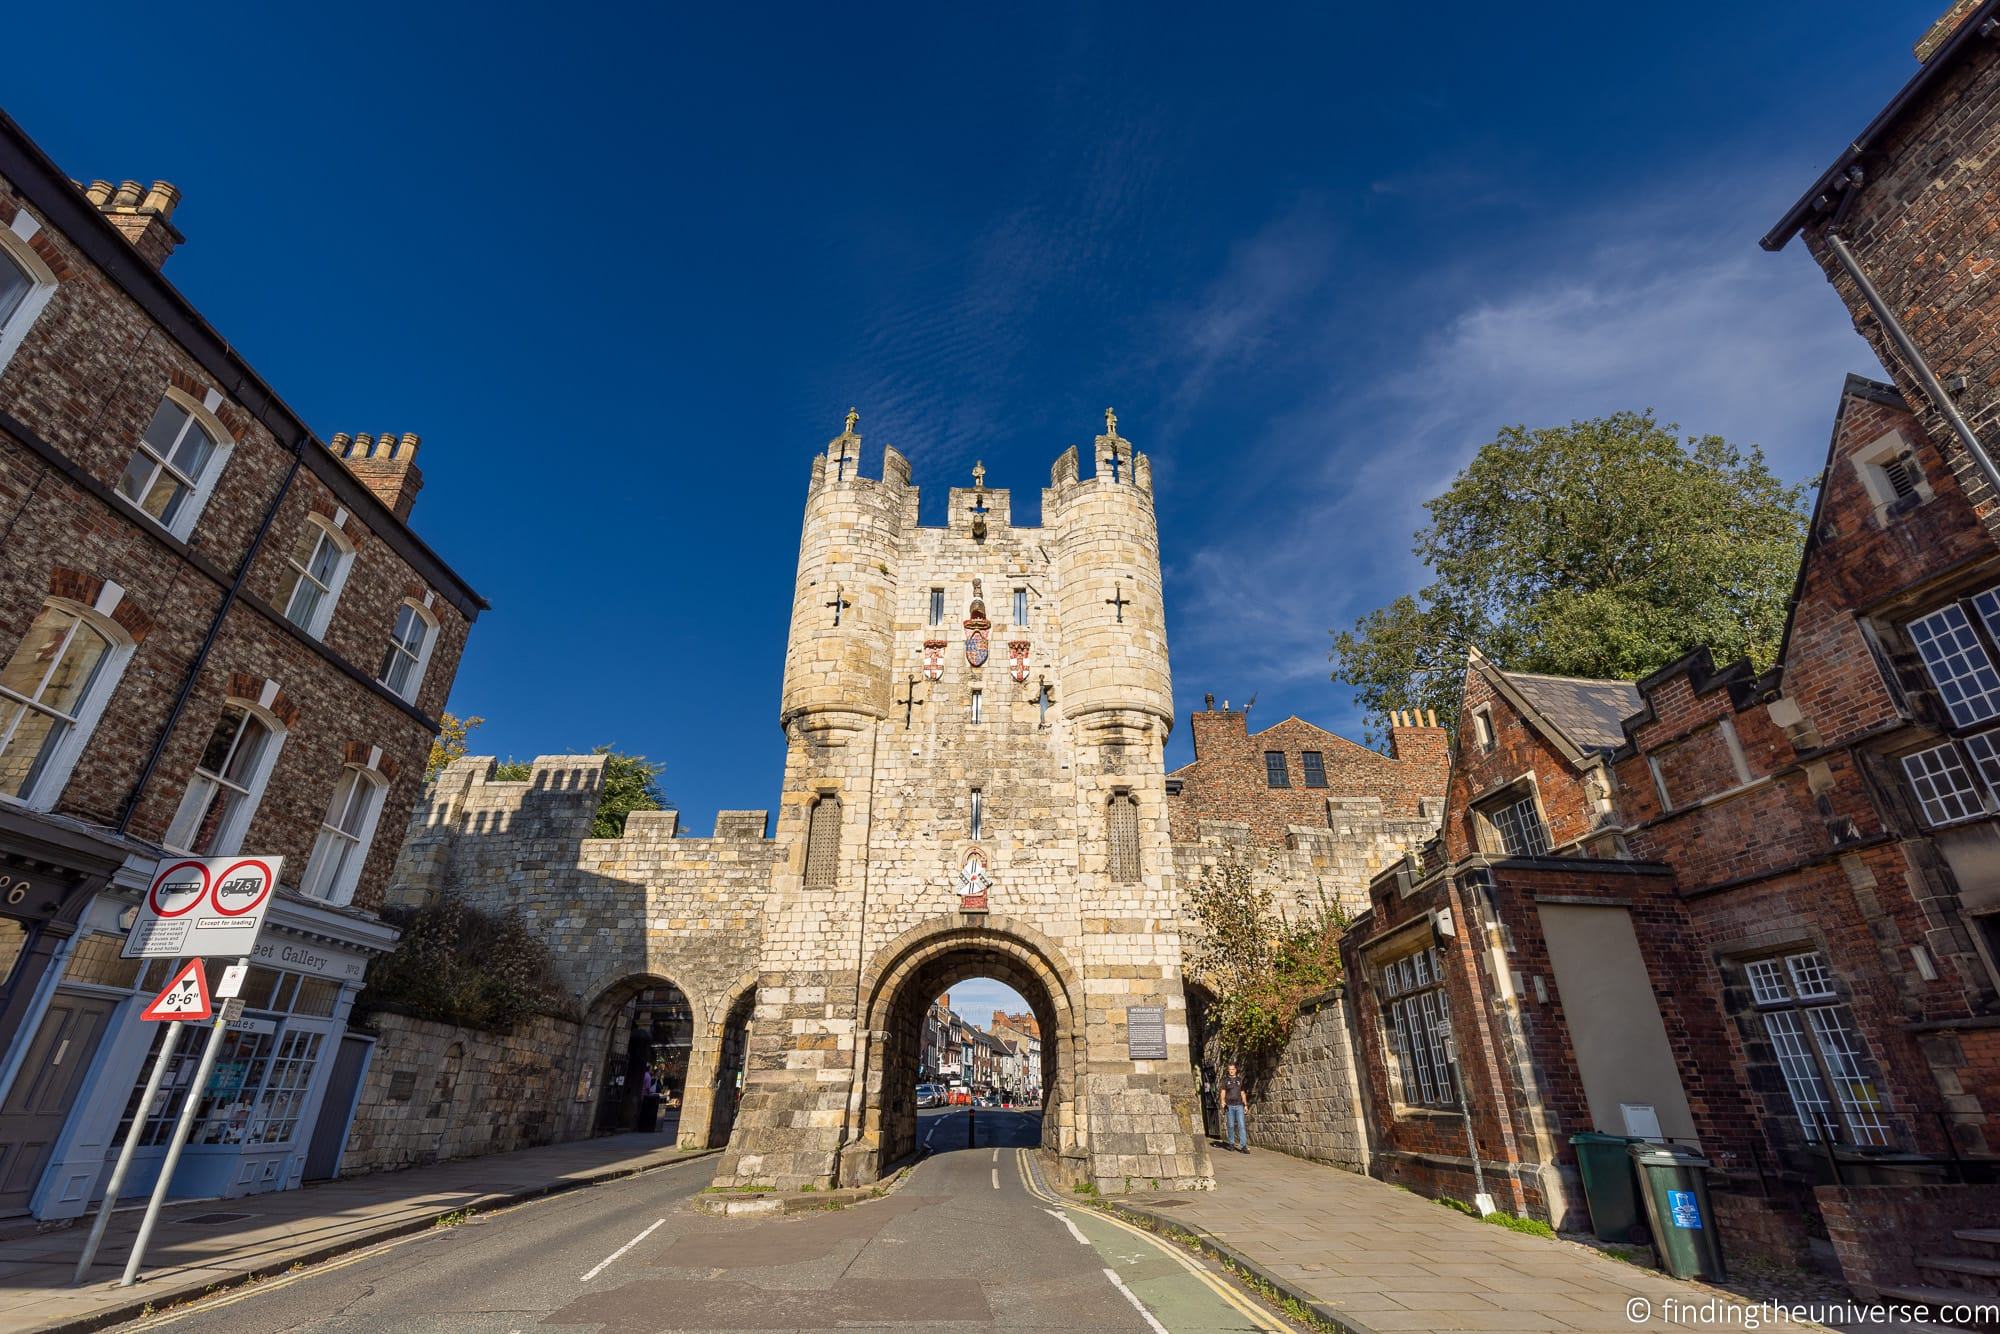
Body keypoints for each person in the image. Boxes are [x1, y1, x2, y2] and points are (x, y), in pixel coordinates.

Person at [1221, 1062, 1249, 1153]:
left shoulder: (1239, 1080)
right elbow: (1223, 1092)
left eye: (1233, 1069)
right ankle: (1231, 1144)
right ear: (1228, 1070)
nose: (1231, 1071)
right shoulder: (1225, 1081)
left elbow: (1242, 1093)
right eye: (1230, 1069)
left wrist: (1245, 1105)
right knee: (1231, 1125)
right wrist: (1222, 1102)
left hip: (1239, 1105)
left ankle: (1243, 1146)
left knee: (1241, 1125)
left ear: (1235, 1070)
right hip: (1229, 1106)